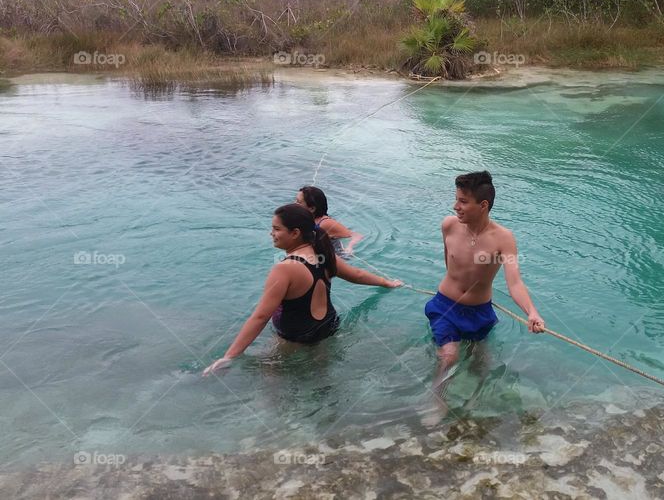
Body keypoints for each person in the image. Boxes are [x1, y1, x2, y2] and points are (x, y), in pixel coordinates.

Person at [203, 204, 401, 375]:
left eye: (276, 229)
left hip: (295, 339)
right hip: (328, 329)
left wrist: (229, 356)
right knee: (321, 381)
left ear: (295, 233)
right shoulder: (324, 255)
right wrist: (387, 282)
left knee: (271, 382)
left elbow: (260, 317)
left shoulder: (285, 268)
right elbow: (356, 275)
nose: (271, 233)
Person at [423, 171, 545, 423]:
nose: (455, 206)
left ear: (483, 205)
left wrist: (531, 312)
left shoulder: (503, 238)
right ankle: (438, 400)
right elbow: (451, 265)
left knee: (483, 364)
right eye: (456, 199)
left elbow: (515, 282)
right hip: (445, 305)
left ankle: (474, 402)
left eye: (463, 202)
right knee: (449, 355)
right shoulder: (448, 225)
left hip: (480, 311)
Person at [296, 186, 363, 255]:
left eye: (299, 202)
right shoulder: (306, 219)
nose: (294, 204)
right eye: (296, 201)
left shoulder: (325, 223)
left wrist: (349, 247)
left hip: (339, 256)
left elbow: (357, 235)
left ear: (312, 209)